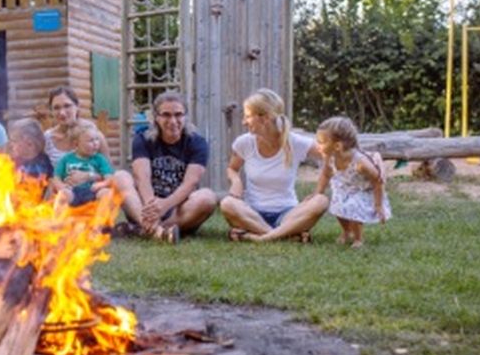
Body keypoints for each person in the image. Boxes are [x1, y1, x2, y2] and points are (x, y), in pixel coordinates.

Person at [220, 88, 328, 242]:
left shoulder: (294, 142)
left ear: (264, 118)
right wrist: (236, 181)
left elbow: (329, 154)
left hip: (288, 214)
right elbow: (232, 168)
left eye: (248, 116)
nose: (244, 122)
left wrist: (320, 189)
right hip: (253, 213)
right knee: (227, 204)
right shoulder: (244, 143)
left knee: (321, 201)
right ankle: (284, 234)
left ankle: (258, 237)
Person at [117, 90, 217, 242]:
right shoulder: (142, 139)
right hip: (145, 206)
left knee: (208, 197)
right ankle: (159, 232)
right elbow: (142, 178)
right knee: (119, 177)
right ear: (156, 117)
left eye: (178, 114)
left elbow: (190, 183)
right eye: (166, 115)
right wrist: (152, 207)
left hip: (178, 209)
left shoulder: (198, 143)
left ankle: (144, 230)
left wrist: (165, 205)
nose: (173, 120)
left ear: (185, 117)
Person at [314, 116, 391, 248]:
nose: (318, 146)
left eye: (321, 142)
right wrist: (318, 193)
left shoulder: (360, 163)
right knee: (338, 205)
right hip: (344, 186)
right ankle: (347, 231)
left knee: (353, 206)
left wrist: (378, 205)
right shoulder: (330, 157)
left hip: (364, 190)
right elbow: (326, 174)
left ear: (337, 146)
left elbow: (377, 181)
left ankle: (358, 238)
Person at [44, 86, 111, 169]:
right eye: (56, 108)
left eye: (67, 106)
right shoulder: (47, 138)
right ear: (51, 111)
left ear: (77, 106)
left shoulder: (94, 135)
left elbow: (109, 171)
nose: (62, 113)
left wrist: (88, 176)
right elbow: (43, 173)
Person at [53, 121, 114, 207]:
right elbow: (56, 178)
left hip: (93, 191)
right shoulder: (66, 159)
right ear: (76, 144)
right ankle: (58, 220)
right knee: (63, 195)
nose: (96, 143)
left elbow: (110, 178)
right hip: (72, 191)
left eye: (97, 139)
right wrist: (62, 186)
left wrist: (101, 184)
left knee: (106, 193)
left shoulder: (99, 159)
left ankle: (101, 219)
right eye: (91, 141)